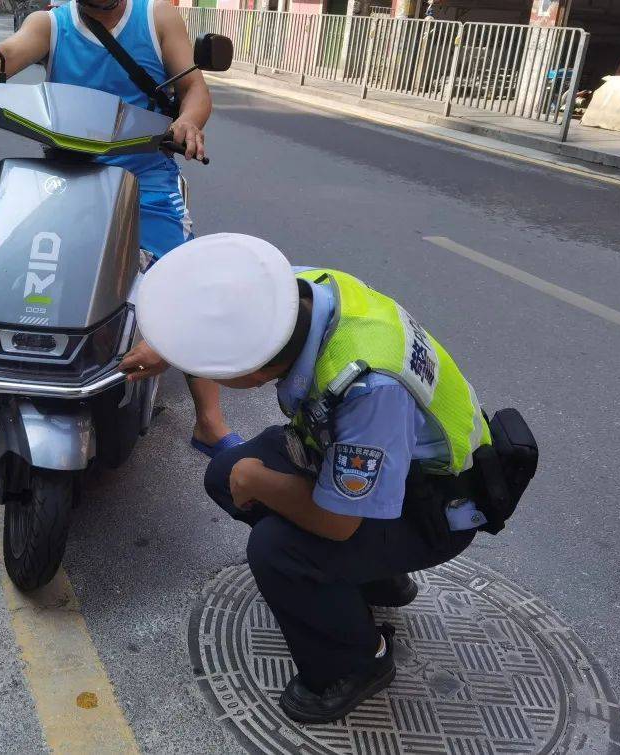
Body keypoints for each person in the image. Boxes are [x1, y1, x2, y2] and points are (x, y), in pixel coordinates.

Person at [122, 233, 519, 723]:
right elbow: (224, 309)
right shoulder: (300, 292)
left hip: (435, 505)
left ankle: (356, 660)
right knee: (225, 473)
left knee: (277, 549)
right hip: (387, 466)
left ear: (253, 373)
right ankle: (376, 580)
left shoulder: (370, 387)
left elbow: (337, 523)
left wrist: (259, 480)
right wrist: (168, 348)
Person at [0, 0, 240, 457]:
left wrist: (188, 121)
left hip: (143, 174)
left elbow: (195, 88)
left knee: (188, 282)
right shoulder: (50, 24)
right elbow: (2, 56)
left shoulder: (157, 18)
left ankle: (209, 422)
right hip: (62, 173)